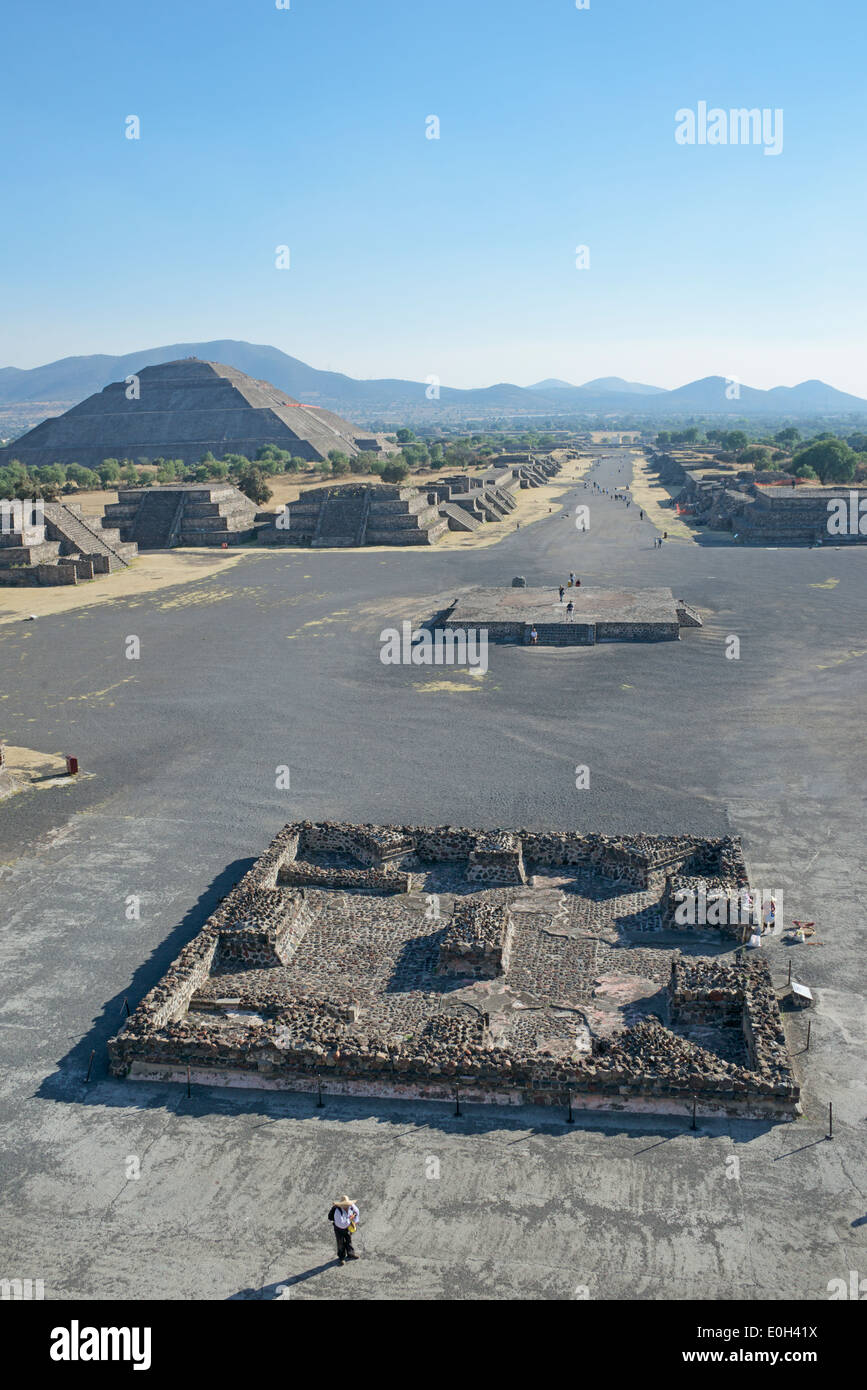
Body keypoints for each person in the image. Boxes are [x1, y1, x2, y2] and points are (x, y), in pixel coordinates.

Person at [328, 1195, 360, 1264]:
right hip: (339, 1228)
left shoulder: (351, 1207)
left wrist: (353, 1223)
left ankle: (351, 1254)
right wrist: (350, 1219)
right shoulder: (337, 1211)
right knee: (340, 1242)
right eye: (345, 1205)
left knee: (349, 1240)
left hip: (347, 1227)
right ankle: (341, 1257)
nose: (346, 1206)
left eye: (347, 1205)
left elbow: (356, 1212)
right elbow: (341, 1224)